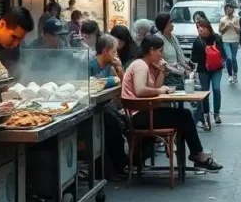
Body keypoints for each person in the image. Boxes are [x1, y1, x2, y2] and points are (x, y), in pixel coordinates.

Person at [121, 35, 222, 171]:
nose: (162, 55)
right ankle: (198, 154)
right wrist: (159, 90)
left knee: (183, 115)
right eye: (160, 51)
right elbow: (140, 90)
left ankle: (197, 154)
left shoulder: (147, 66)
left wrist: (162, 71)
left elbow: (156, 86)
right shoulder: (140, 66)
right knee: (184, 116)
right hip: (139, 116)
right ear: (151, 50)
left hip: (145, 113)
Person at [89, 34, 129, 177]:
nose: (116, 55)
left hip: (105, 106)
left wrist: (119, 68)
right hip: (92, 109)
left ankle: (123, 163)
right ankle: (115, 167)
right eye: (114, 51)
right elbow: (93, 85)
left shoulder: (109, 65)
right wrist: (111, 80)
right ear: (105, 51)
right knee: (113, 125)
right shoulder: (91, 65)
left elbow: (124, 85)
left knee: (122, 122)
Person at [190, 19, 225, 129]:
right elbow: (194, 57)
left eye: (203, 27)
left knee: (216, 89)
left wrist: (215, 52)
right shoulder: (197, 41)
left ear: (208, 28)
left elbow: (223, 53)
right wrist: (203, 54)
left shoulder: (216, 38)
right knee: (205, 92)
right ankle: (206, 118)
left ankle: (216, 113)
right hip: (203, 69)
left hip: (216, 68)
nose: (201, 30)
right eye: (198, 28)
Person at [154, 12, 189, 89]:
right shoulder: (157, 39)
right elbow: (158, 61)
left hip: (180, 73)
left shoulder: (173, 37)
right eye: (170, 22)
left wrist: (185, 64)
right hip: (167, 76)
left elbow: (179, 54)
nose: (172, 24)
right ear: (164, 24)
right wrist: (173, 68)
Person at [218, 2, 241, 84]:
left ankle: (235, 74)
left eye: (230, 8)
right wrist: (226, 26)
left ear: (233, 10)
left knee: (234, 59)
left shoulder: (237, 18)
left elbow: (239, 30)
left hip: (234, 40)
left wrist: (233, 25)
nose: (228, 10)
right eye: (227, 9)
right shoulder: (223, 19)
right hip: (226, 40)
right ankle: (230, 75)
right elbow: (220, 31)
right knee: (229, 58)